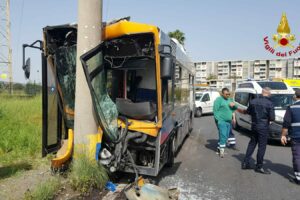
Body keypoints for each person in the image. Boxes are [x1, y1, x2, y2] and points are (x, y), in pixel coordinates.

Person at [240, 87, 275, 174]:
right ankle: (259, 166)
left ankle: (245, 163)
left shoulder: (253, 101)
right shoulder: (270, 103)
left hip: (254, 125)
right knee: (262, 147)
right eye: (270, 93)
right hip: (263, 127)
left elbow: (248, 112)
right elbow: (272, 118)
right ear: (268, 93)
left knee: (252, 144)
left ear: (262, 92)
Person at [281, 89, 300, 185]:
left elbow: (286, 123)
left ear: (295, 96)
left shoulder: (291, 108)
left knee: (297, 156)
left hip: (296, 136)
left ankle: (299, 178)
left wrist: (283, 136)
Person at [213, 88, 237, 157]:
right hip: (221, 121)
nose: (228, 95)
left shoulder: (230, 100)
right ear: (222, 94)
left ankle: (219, 148)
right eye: (226, 94)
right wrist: (218, 120)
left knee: (226, 136)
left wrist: (234, 106)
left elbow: (234, 109)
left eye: (229, 94)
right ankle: (222, 151)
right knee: (223, 135)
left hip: (228, 121)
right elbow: (215, 111)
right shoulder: (218, 100)